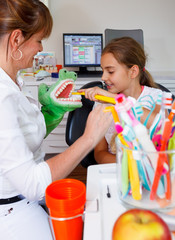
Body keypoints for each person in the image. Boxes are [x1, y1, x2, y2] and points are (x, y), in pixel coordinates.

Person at [0, 1, 112, 239]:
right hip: (14, 210)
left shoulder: (14, 81)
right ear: (16, 39)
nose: (41, 49)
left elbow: (21, 139)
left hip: (29, 200)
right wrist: (89, 137)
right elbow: (32, 184)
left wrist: (48, 115)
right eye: (40, 40)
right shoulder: (2, 97)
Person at [79, 37, 163, 164]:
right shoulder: (101, 104)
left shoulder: (156, 97)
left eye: (110, 71)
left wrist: (115, 99)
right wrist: (128, 165)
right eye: (103, 70)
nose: (103, 77)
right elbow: (100, 153)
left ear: (133, 71)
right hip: (117, 170)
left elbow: (161, 127)